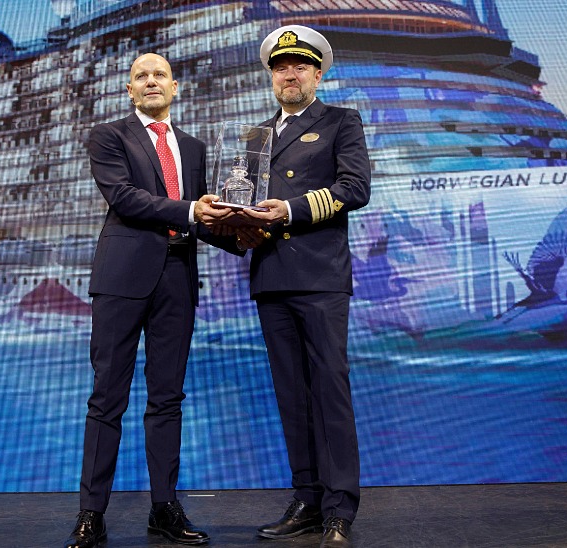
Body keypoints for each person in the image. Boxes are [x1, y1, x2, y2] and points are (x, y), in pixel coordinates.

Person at [65, 52, 240, 548]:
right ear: (129, 90)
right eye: (141, 76)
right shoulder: (109, 136)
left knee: (167, 398)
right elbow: (123, 198)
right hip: (122, 279)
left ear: (175, 87)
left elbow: (206, 217)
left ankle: (164, 508)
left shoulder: (195, 147)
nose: (150, 82)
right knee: (107, 398)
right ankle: (90, 513)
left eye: (159, 74)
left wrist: (248, 233)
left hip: (178, 279)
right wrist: (192, 210)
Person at [237, 25, 371, 548]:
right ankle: (307, 499)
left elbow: (355, 188)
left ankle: (340, 507)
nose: (288, 75)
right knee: (291, 396)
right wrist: (231, 223)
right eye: (280, 67)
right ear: (272, 75)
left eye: (299, 66)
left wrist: (289, 209)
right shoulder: (253, 137)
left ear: (319, 73)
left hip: (319, 277)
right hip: (270, 277)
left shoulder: (341, 122)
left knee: (329, 392)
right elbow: (244, 200)